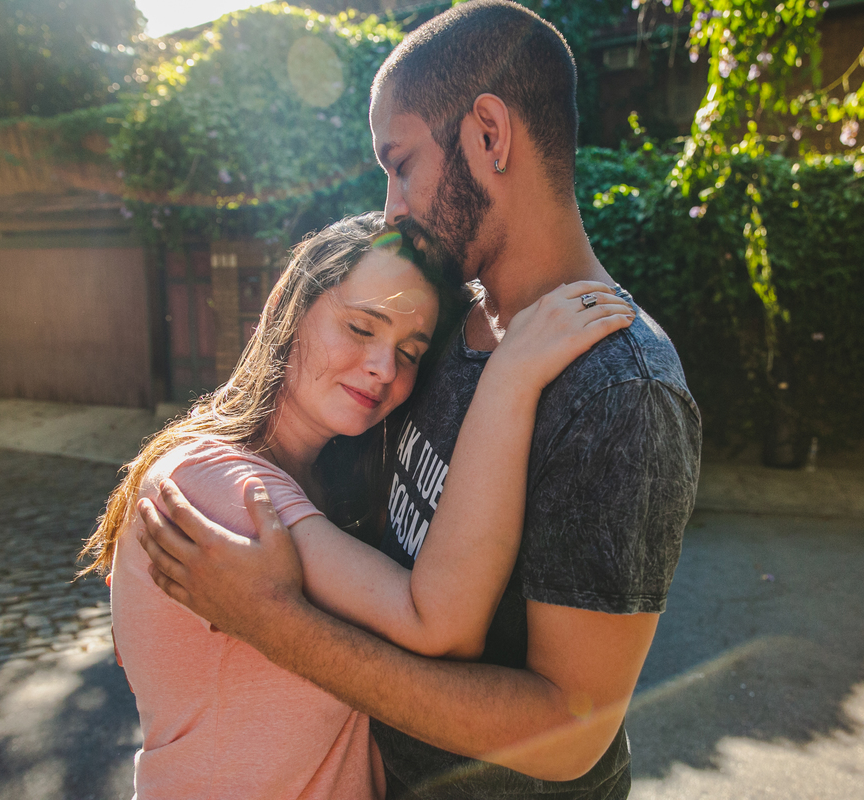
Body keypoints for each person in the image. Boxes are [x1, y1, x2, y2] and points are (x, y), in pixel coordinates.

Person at [136, 1, 702, 797]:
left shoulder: (620, 388)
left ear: (489, 135)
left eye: (400, 163)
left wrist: (269, 619)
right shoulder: (438, 325)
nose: (392, 204)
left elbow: (569, 734)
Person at [80, 212, 633, 799]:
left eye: (411, 351)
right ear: (291, 310)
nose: (384, 368)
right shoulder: (216, 487)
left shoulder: (323, 481)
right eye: (362, 328)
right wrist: (510, 377)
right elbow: (439, 627)